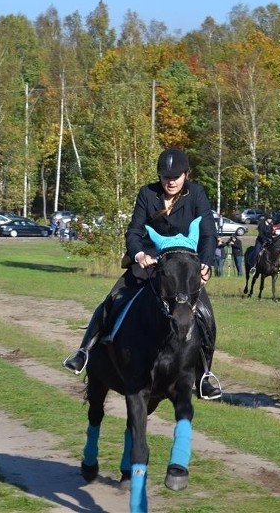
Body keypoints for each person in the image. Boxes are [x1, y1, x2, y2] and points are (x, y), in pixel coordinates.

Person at [63, 148, 222, 399]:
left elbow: (208, 234)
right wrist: (138, 254)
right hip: (150, 263)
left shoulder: (198, 194)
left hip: (183, 267)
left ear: (186, 174)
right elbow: (134, 231)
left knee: (205, 314)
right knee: (113, 298)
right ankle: (84, 351)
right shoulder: (147, 193)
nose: (170, 181)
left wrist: (205, 263)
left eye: (176, 177)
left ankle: (204, 375)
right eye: (165, 176)